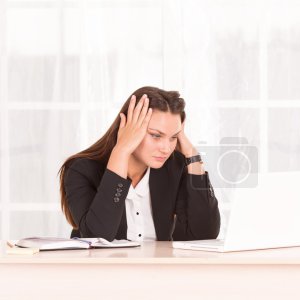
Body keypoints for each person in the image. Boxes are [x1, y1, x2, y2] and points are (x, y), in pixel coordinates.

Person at [58, 86, 220, 242]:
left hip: (159, 269)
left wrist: (193, 157)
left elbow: (204, 234)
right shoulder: (81, 170)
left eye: (173, 137)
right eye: (156, 135)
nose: (166, 148)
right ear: (129, 127)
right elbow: (98, 237)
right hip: (102, 269)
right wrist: (121, 151)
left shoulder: (174, 167)